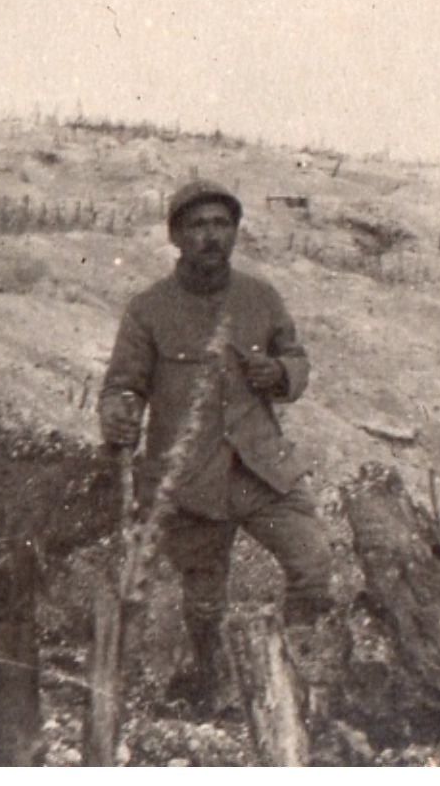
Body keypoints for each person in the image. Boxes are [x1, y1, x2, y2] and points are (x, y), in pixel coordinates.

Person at [98, 179, 333, 708]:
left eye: (221, 224)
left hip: (262, 472)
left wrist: (278, 372)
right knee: (204, 605)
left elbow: (297, 361)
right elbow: (122, 384)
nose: (211, 236)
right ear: (177, 236)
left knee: (313, 563)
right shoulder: (148, 309)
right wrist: (119, 415)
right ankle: (212, 684)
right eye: (198, 225)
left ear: (235, 233)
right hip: (190, 482)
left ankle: (296, 680)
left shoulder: (261, 297)